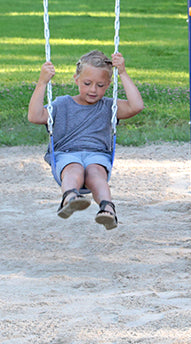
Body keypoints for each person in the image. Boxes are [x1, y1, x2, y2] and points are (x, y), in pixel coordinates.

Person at [27, 49, 144, 229]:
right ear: (76, 80)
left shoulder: (108, 106)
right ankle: (70, 197)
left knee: (96, 173)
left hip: (97, 155)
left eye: (100, 85)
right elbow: (34, 116)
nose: (93, 90)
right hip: (66, 154)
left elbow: (136, 106)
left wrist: (123, 73)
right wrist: (42, 82)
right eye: (87, 83)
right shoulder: (62, 104)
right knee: (74, 169)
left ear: (108, 85)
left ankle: (107, 208)